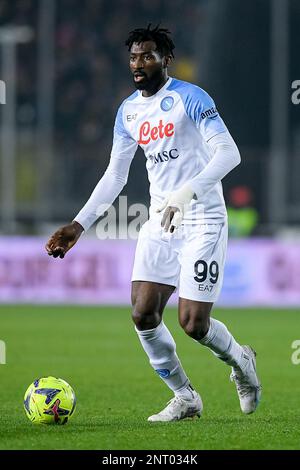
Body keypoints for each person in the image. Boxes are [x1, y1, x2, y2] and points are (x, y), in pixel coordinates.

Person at [46, 25, 261, 422]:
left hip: (202, 218)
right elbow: (115, 176)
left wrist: (187, 193)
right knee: (143, 314)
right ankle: (185, 397)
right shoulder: (128, 111)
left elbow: (229, 154)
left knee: (193, 323)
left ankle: (242, 363)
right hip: (161, 222)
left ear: (166, 59)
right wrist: (78, 225)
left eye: (147, 56)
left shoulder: (190, 99)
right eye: (133, 57)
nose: (139, 64)